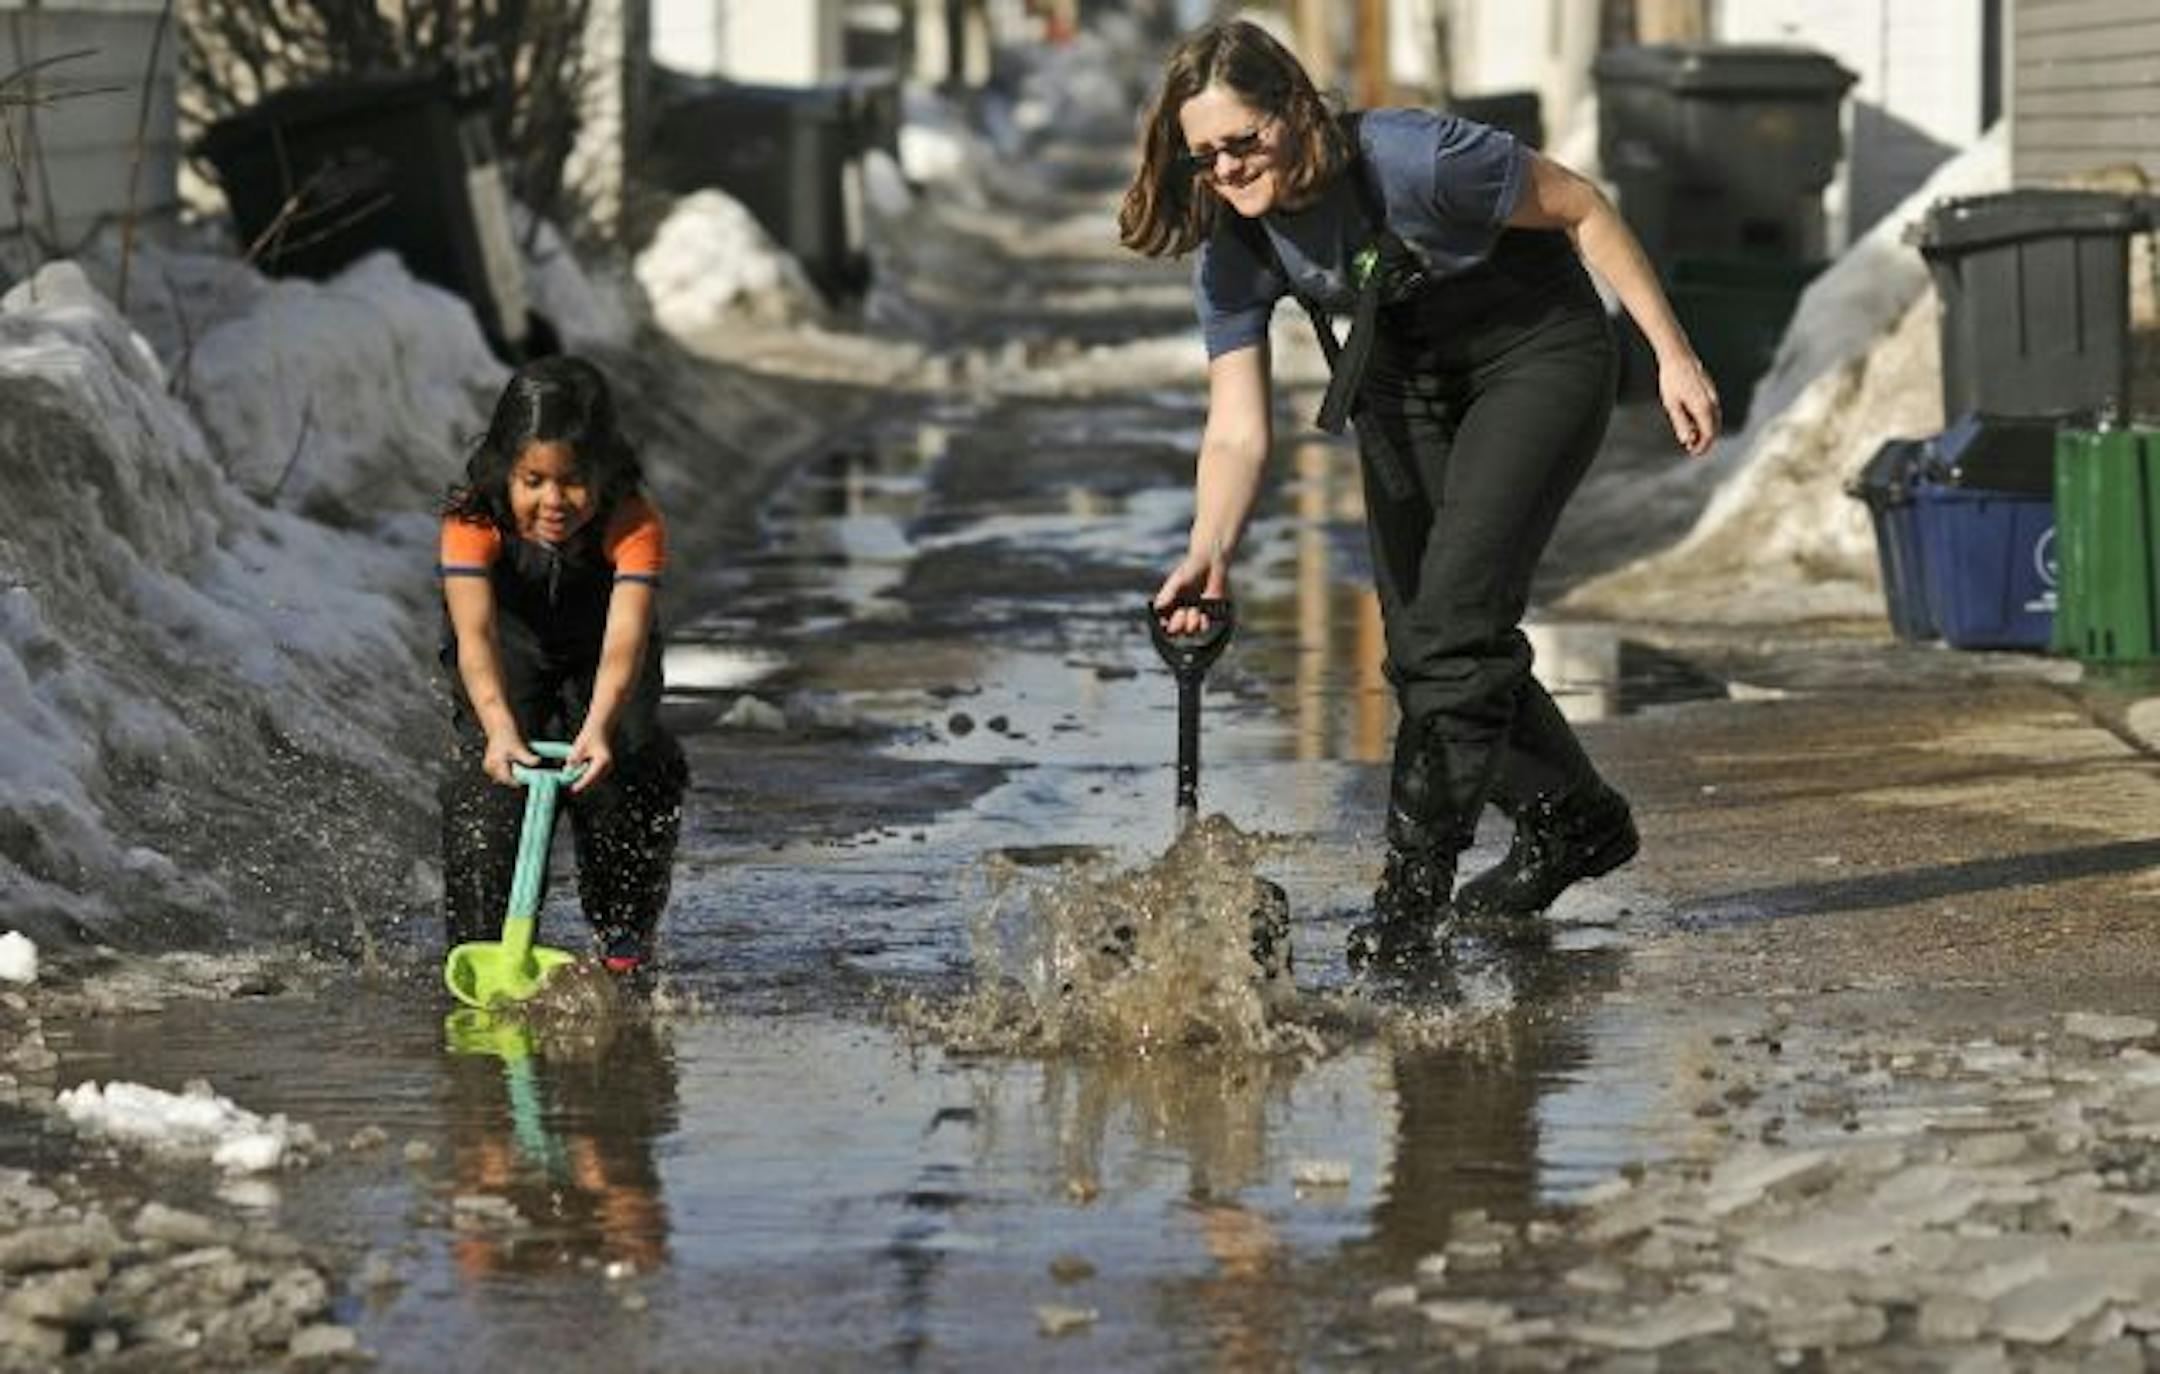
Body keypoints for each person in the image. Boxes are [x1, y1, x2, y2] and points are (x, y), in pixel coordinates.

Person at [1119, 20, 1720, 963]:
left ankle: (1410, 901)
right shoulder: (1232, 249)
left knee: (1453, 633)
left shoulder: (1416, 160)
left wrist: (1673, 356)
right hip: (1404, 390)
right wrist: (1211, 548)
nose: (1230, 171)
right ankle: (1575, 822)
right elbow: (1237, 425)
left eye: (1244, 141)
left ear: (1296, 110)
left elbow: (1582, 207)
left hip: (1536, 356)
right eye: (1206, 157)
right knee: (1426, 647)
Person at [436, 355, 688, 977]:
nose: (554, 501)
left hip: (603, 659)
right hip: (507, 656)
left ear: (603, 474)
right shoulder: (472, 520)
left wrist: (599, 727)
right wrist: (497, 729)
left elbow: (625, 636)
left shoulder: (633, 520)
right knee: (491, 792)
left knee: (622, 772)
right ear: (505, 472)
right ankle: (482, 946)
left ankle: (623, 944)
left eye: (572, 481)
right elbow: (474, 635)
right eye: (533, 481)